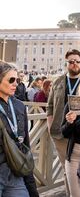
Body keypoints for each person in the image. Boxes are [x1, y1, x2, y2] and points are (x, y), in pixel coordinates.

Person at [47, 49, 80, 194]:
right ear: (67, 63)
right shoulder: (57, 81)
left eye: (77, 61)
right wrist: (50, 126)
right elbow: (50, 106)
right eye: (71, 61)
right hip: (61, 134)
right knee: (66, 170)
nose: (74, 64)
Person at [0, 61, 38, 196]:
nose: (16, 83)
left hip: (15, 172)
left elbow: (25, 144)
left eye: (17, 80)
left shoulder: (19, 106)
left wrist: (31, 186)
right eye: (11, 80)